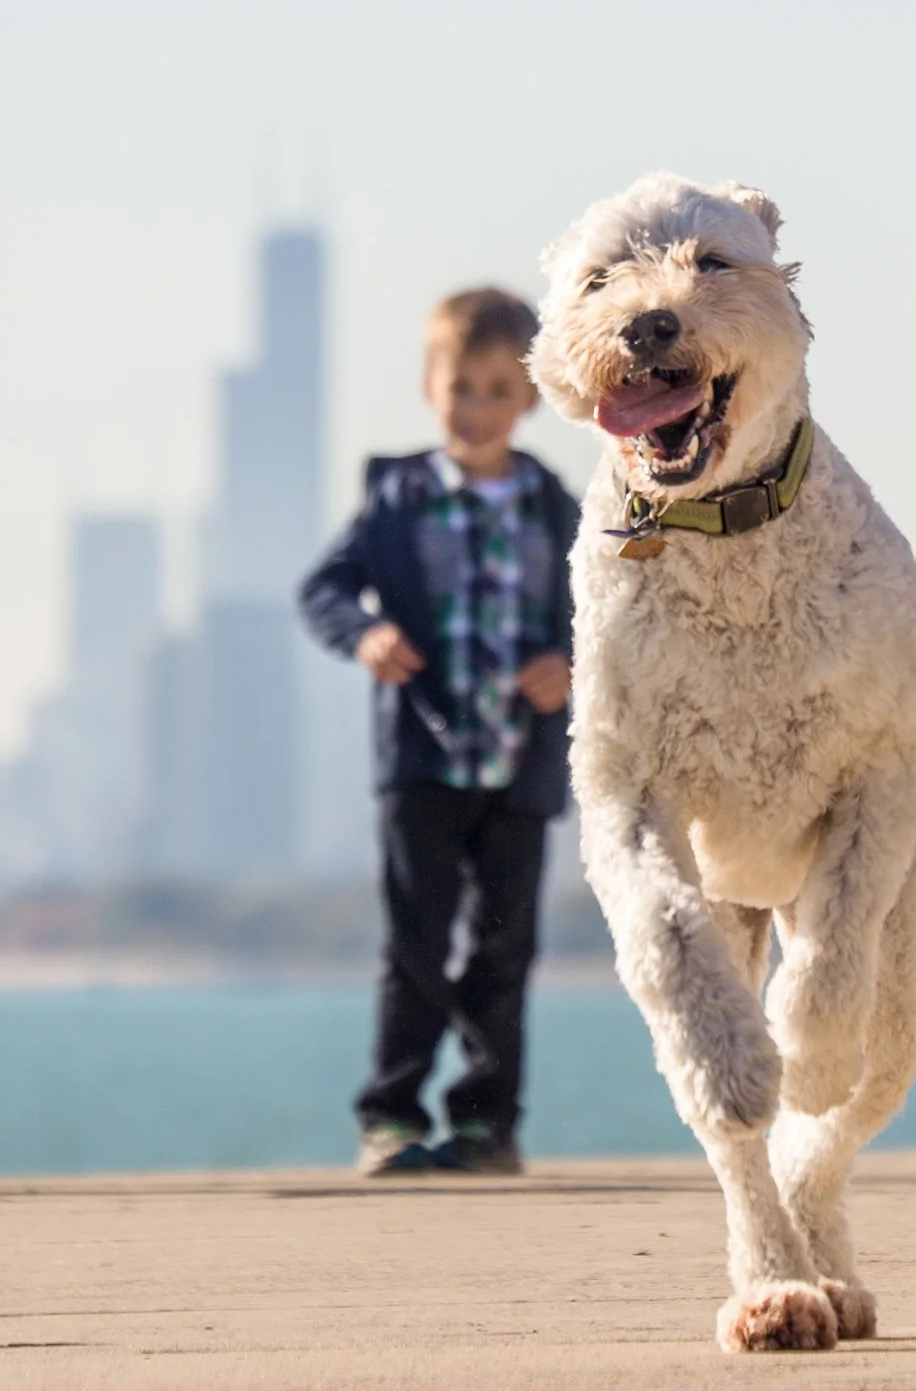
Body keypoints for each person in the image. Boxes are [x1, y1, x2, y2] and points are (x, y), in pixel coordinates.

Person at [297, 287, 579, 1177]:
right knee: (413, 943)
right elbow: (324, 591)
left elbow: (610, 615)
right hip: (421, 761)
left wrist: (567, 661)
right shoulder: (397, 498)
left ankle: (487, 1122)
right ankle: (391, 1116)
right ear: (430, 385)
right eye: (462, 386)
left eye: (500, 388)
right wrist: (366, 634)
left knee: (504, 944)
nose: (479, 407)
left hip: (520, 764)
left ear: (531, 396)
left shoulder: (555, 507)